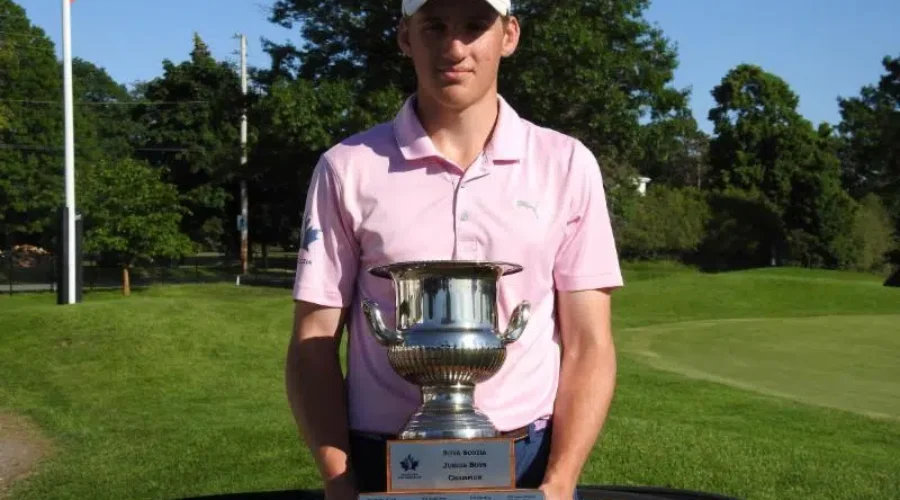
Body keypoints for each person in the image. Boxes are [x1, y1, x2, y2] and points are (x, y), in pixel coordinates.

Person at [285, 0, 624, 499]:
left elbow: (589, 341)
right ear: (405, 37)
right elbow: (313, 339)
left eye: (475, 26)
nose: (455, 47)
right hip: (380, 455)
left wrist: (561, 479)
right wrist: (339, 481)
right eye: (435, 26)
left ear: (509, 35)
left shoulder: (567, 164)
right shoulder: (347, 167)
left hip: (526, 455)